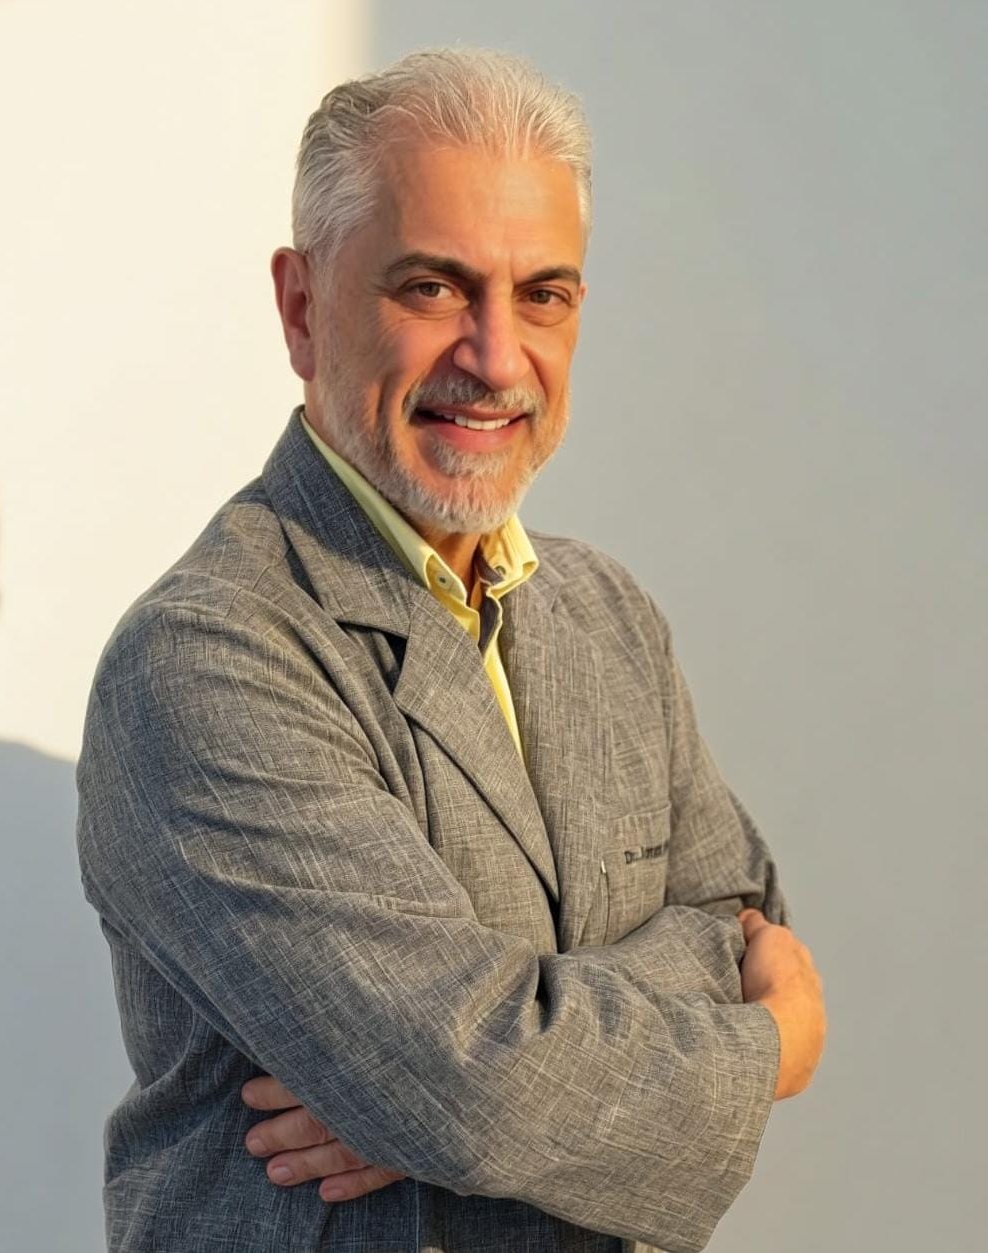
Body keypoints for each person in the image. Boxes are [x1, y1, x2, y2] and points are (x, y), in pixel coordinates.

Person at [75, 47, 825, 1253]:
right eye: (432, 288)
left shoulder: (608, 614)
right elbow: (470, 1085)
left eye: (544, 296)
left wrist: (460, 1086)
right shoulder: (204, 657)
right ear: (301, 307)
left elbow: (744, 922)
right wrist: (770, 1043)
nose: (495, 356)